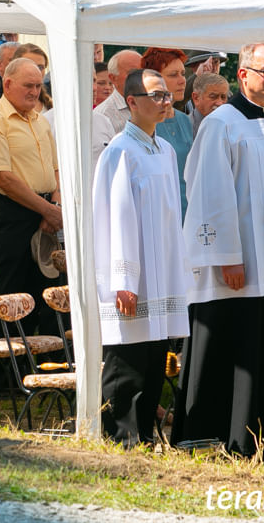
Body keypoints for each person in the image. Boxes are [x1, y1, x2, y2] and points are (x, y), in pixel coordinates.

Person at [172, 42, 264, 457]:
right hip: (238, 261)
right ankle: (221, 433)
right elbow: (210, 193)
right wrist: (227, 256)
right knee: (234, 342)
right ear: (243, 74)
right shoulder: (222, 123)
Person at [93, 69, 190, 447]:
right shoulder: (120, 150)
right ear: (132, 102)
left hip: (160, 269)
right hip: (133, 272)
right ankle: (121, 435)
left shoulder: (163, 149)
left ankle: (145, 433)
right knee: (128, 355)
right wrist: (123, 279)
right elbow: (117, 216)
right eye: (156, 96)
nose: (165, 102)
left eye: (167, 95)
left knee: (153, 355)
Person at [0, 57, 61, 337]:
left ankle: (35, 367)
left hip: (44, 209)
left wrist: (53, 206)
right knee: (10, 294)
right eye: (28, 85)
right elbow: (5, 179)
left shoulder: (40, 121)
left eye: (38, 85)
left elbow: (55, 170)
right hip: (11, 212)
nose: (35, 91)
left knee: (43, 293)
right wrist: (48, 210)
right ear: (8, 84)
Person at [141, 48, 194, 219]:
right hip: (161, 214)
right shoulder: (144, 124)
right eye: (173, 75)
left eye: (183, 73)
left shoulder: (185, 120)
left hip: (190, 211)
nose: (182, 81)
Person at [95, 49, 142, 134]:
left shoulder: (152, 104)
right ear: (113, 78)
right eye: (132, 72)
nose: (140, 77)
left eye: (142, 71)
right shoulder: (103, 115)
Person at [12, 43, 52, 112]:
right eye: (30, 66)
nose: (36, 71)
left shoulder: (52, 107)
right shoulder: (5, 109)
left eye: (40, 67)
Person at [188, 72, 229, 137]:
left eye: (223, 97)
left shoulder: (231, 125)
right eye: (213, 97)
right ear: (196, 98)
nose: (220, 103)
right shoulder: (185, 128)